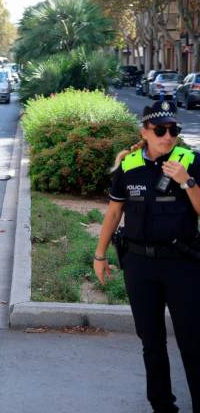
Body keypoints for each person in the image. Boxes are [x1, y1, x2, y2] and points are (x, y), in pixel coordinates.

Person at [95, 101, 199, 413]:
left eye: (173, 130)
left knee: (193, 341)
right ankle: (162, 405)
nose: (168, 136)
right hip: (140, 265)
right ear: (145, 132)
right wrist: (100, 255)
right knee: (151, 341)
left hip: (183, 263)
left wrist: (187, 181)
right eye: (161, 130)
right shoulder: (128, 168)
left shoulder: (189, 162)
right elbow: (114, 212)